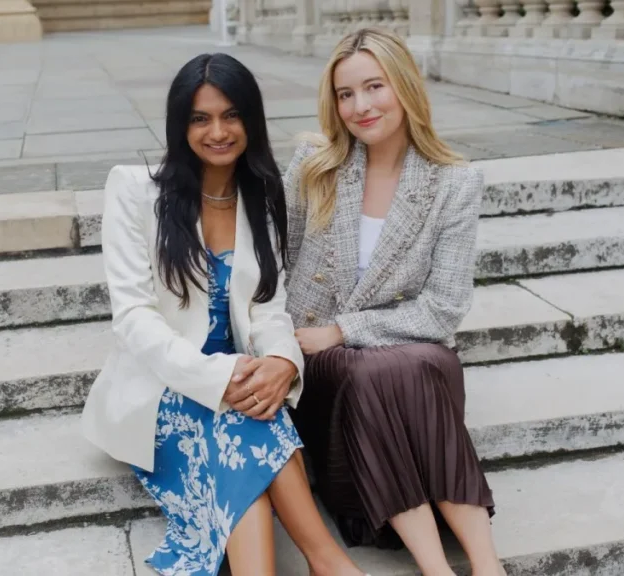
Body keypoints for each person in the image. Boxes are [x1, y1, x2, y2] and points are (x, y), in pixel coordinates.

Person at [80, 52, 368, 576]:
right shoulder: (133, 189)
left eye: (231, 115)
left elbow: (268, 309)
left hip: (242, 379)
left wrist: (282, 361)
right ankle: (329, 561)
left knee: (250, 422)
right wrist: (218, 376)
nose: (218, 131)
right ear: (179, 124)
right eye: (200, 118)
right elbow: (134, 316)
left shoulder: (260, 194)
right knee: (248, 416)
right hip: (160, 383)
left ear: (251, 121)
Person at [283, 28, 506, 576]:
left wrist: (344, 329)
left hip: (401, 352)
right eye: (345, 93)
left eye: (374, 87)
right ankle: (439, 568)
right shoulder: (316, 166)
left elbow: (443, 310)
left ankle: (486, 565)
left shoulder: (454, 183)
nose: (361, 106)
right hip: (324, 366)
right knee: (380, 374)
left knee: (408, 365)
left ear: (403, 86)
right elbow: (274, 262)